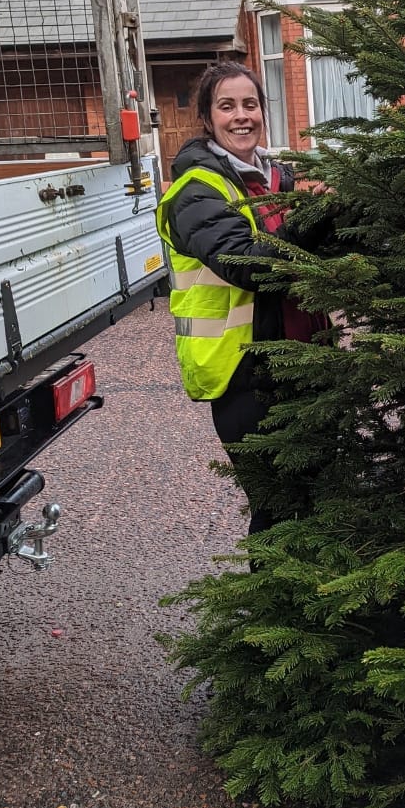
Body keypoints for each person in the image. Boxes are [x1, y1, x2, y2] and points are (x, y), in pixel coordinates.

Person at [155, 60, 326, 535]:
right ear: (208, 120)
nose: (241, 116)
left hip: (304, 363)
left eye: (250, 104)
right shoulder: (197, 191)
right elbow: (245, 264)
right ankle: (274, 606)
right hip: (244, 376)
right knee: (278, 508)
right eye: (226, 106)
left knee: (317, 497)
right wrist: (317, 219)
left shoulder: (275, 180)